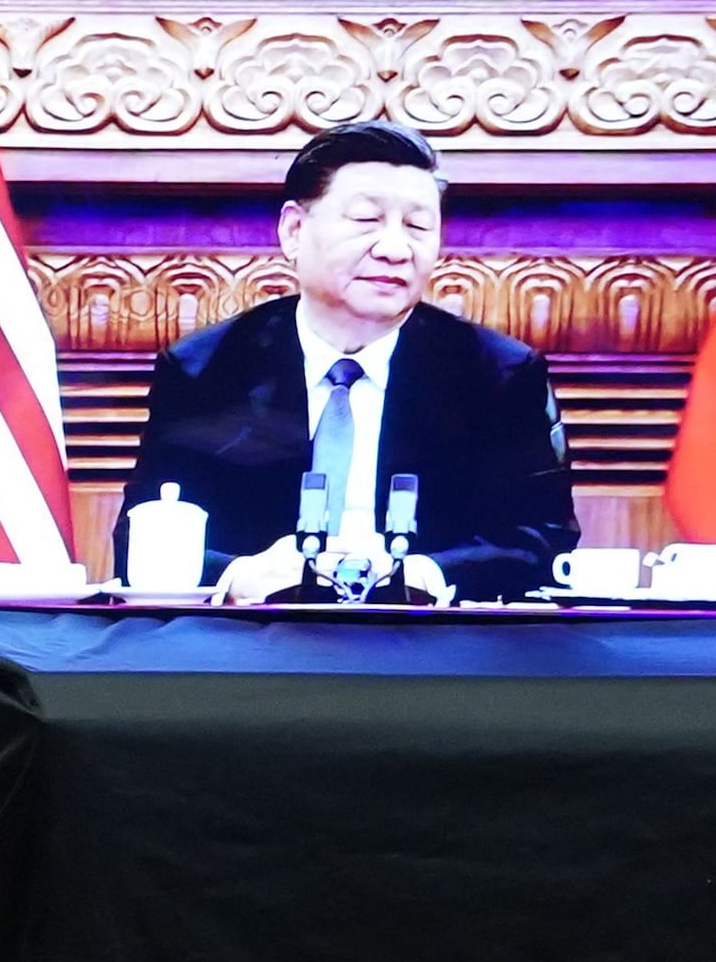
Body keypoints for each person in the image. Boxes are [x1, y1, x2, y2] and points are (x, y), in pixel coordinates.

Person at [122, 122, 578, 603]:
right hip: (253, 647)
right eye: (366, 221)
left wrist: (427, 573)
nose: (395, 249)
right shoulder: (207, 368)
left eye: (419, 227)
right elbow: (141, 536)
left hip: (430, 650)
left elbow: (543, 538)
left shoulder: (496, 374)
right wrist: (238, 575)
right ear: (295, 231)